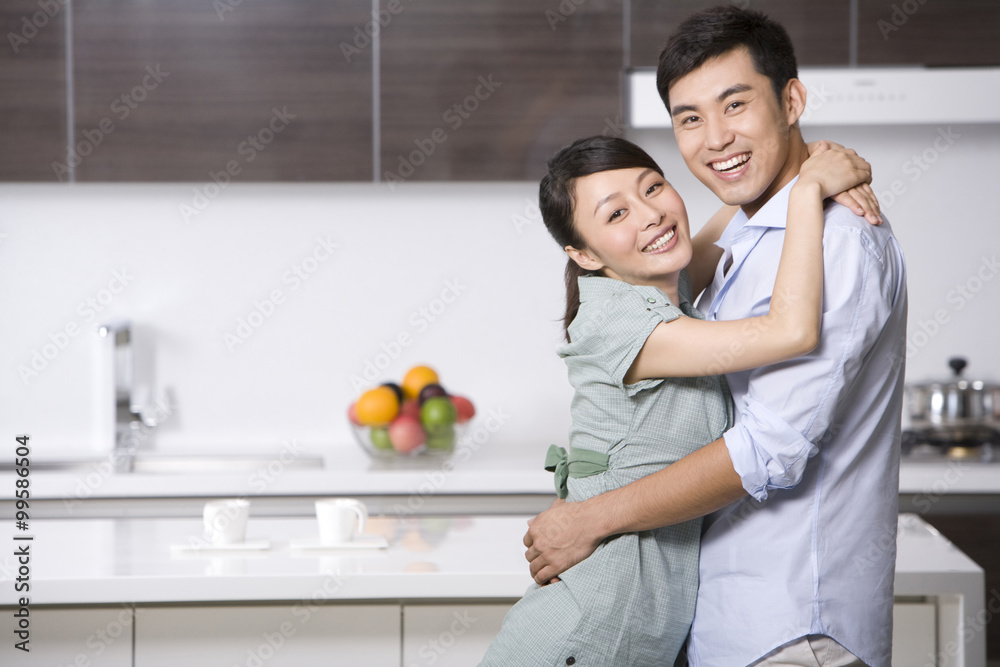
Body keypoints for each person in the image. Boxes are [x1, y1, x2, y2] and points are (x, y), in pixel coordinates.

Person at [522, 7, 908, 667]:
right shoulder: (747, 238)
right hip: (728, 622)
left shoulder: (837, 242)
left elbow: (767, 449)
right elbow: (728, 205)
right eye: (690, 118)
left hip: (791, 627)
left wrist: (591, 518)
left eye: (736, 104)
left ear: (791, 99)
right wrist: (809, 164)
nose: (714, 137)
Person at [479, 134, 877, 667]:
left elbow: (742, 201)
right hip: (586, 635)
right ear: (584, 254)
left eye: (654, 187)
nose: (651, 215)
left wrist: (809, 156)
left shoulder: (665, 286)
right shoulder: (619, 320)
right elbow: (791, 331)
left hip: (630, 631)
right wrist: (808, 191)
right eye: (617, 213)